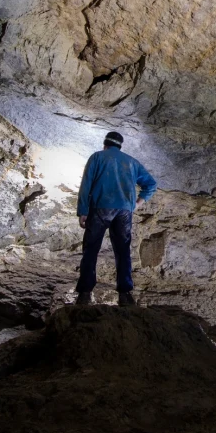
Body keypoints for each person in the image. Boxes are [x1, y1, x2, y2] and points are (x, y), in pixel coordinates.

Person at [75, 131, 156, 306]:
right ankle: (125, 294)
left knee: (91, 249)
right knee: (123, 251)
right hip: (124, 211)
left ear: (105, 145)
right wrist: (137, 203)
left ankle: (85, 293)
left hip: (100, 208)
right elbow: (151, 184)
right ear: (120, 146)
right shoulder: (132, 162)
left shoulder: (97, 157)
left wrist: (83, 211)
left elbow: (86, 184)